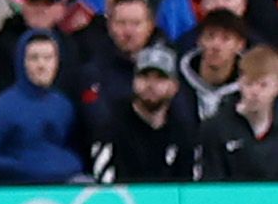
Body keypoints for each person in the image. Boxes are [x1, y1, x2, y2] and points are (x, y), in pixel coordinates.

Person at [0, 30, 85, 183]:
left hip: (61, 188)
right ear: (21, 61)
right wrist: (24, 167)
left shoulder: (63, 105)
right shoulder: (2, 108)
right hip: (14, 193)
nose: (41, 65)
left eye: (48, 58)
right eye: (34, 58)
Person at [90, 45, 203, 182]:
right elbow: (105, 186)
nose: (151, 85)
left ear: (174, 87)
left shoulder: (183, 131)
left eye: (160, 78)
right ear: (133, 82)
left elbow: (191, 188)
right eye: (144, 76)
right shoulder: (111, 127)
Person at [201, 48, 278, 181]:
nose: (255, 92)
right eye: (249, 84)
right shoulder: (216, 128)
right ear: (239, 83)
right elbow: (211, 184)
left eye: (263, 85)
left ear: (276, 87)